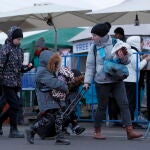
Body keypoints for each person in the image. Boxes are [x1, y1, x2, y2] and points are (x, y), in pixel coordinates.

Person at [83, 22, 143, 140]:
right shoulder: (93, 47)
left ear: (103, 35)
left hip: (117, 79)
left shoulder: (117, 43)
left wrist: (123, 57)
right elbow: (90, 66)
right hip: (101, 81)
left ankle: (129, 131)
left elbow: (126, 62)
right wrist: (87, 81)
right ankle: (97, 131)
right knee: (102, 106)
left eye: (94, 35)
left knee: (124, 104)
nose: (92, 37)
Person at [25, 50, 71, 145]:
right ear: (48, 61)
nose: (56, 65)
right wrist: (66, 87)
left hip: (51, 97)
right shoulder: (42, 71)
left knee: (58, 115)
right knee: (49, 118)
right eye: (54, 62)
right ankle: (32, 129)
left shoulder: (47, 69)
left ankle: (59, 137)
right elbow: (54, 83)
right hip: (46, 98)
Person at [0, 26, 33, 138]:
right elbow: (0, 66)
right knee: (15, 105)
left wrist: (27, 68)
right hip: (6, 82)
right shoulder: (5, 49)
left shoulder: (19, 50)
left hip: (16, 83)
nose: (19, 41)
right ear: (11, 38)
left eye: (20, 39)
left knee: (15, 105)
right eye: (17, 39)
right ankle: (13, 130)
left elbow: (19, 68)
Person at [125, 36, 150, 124]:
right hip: (131, 81)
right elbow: (137, 67)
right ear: (136, 43)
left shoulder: (130, 52)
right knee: (131, 103)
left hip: (128, 80)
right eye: (141, 42)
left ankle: (128, 122)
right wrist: (146, 60)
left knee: (129, 102)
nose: (143, 45)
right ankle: (129, 123)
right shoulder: (134, 52)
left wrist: (142, 59)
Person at [63, 69, 86, 135]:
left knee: (71, 113)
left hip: (71, 103)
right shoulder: (66, 85)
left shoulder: (75, 87)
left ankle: (75, 127)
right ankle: (67, 128)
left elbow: (77, 93)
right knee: (66, 114)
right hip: (65, 103)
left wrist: (82, 98)